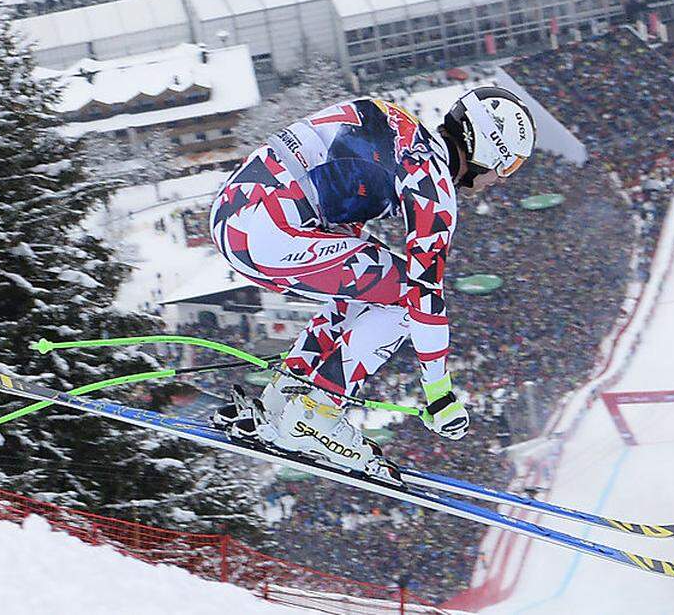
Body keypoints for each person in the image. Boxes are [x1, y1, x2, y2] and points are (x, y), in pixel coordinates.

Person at [207, 87, 536, 484]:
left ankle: (286, 398)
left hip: (235, 214)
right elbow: (425, 295)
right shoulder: (431, 184)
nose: (500, 180)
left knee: (369, 285)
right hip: (266, 231)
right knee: (403, 296)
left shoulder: (395, 122)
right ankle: (316, 413)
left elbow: (334, 197)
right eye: (509, 165)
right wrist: (439, 394)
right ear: (489, 147)